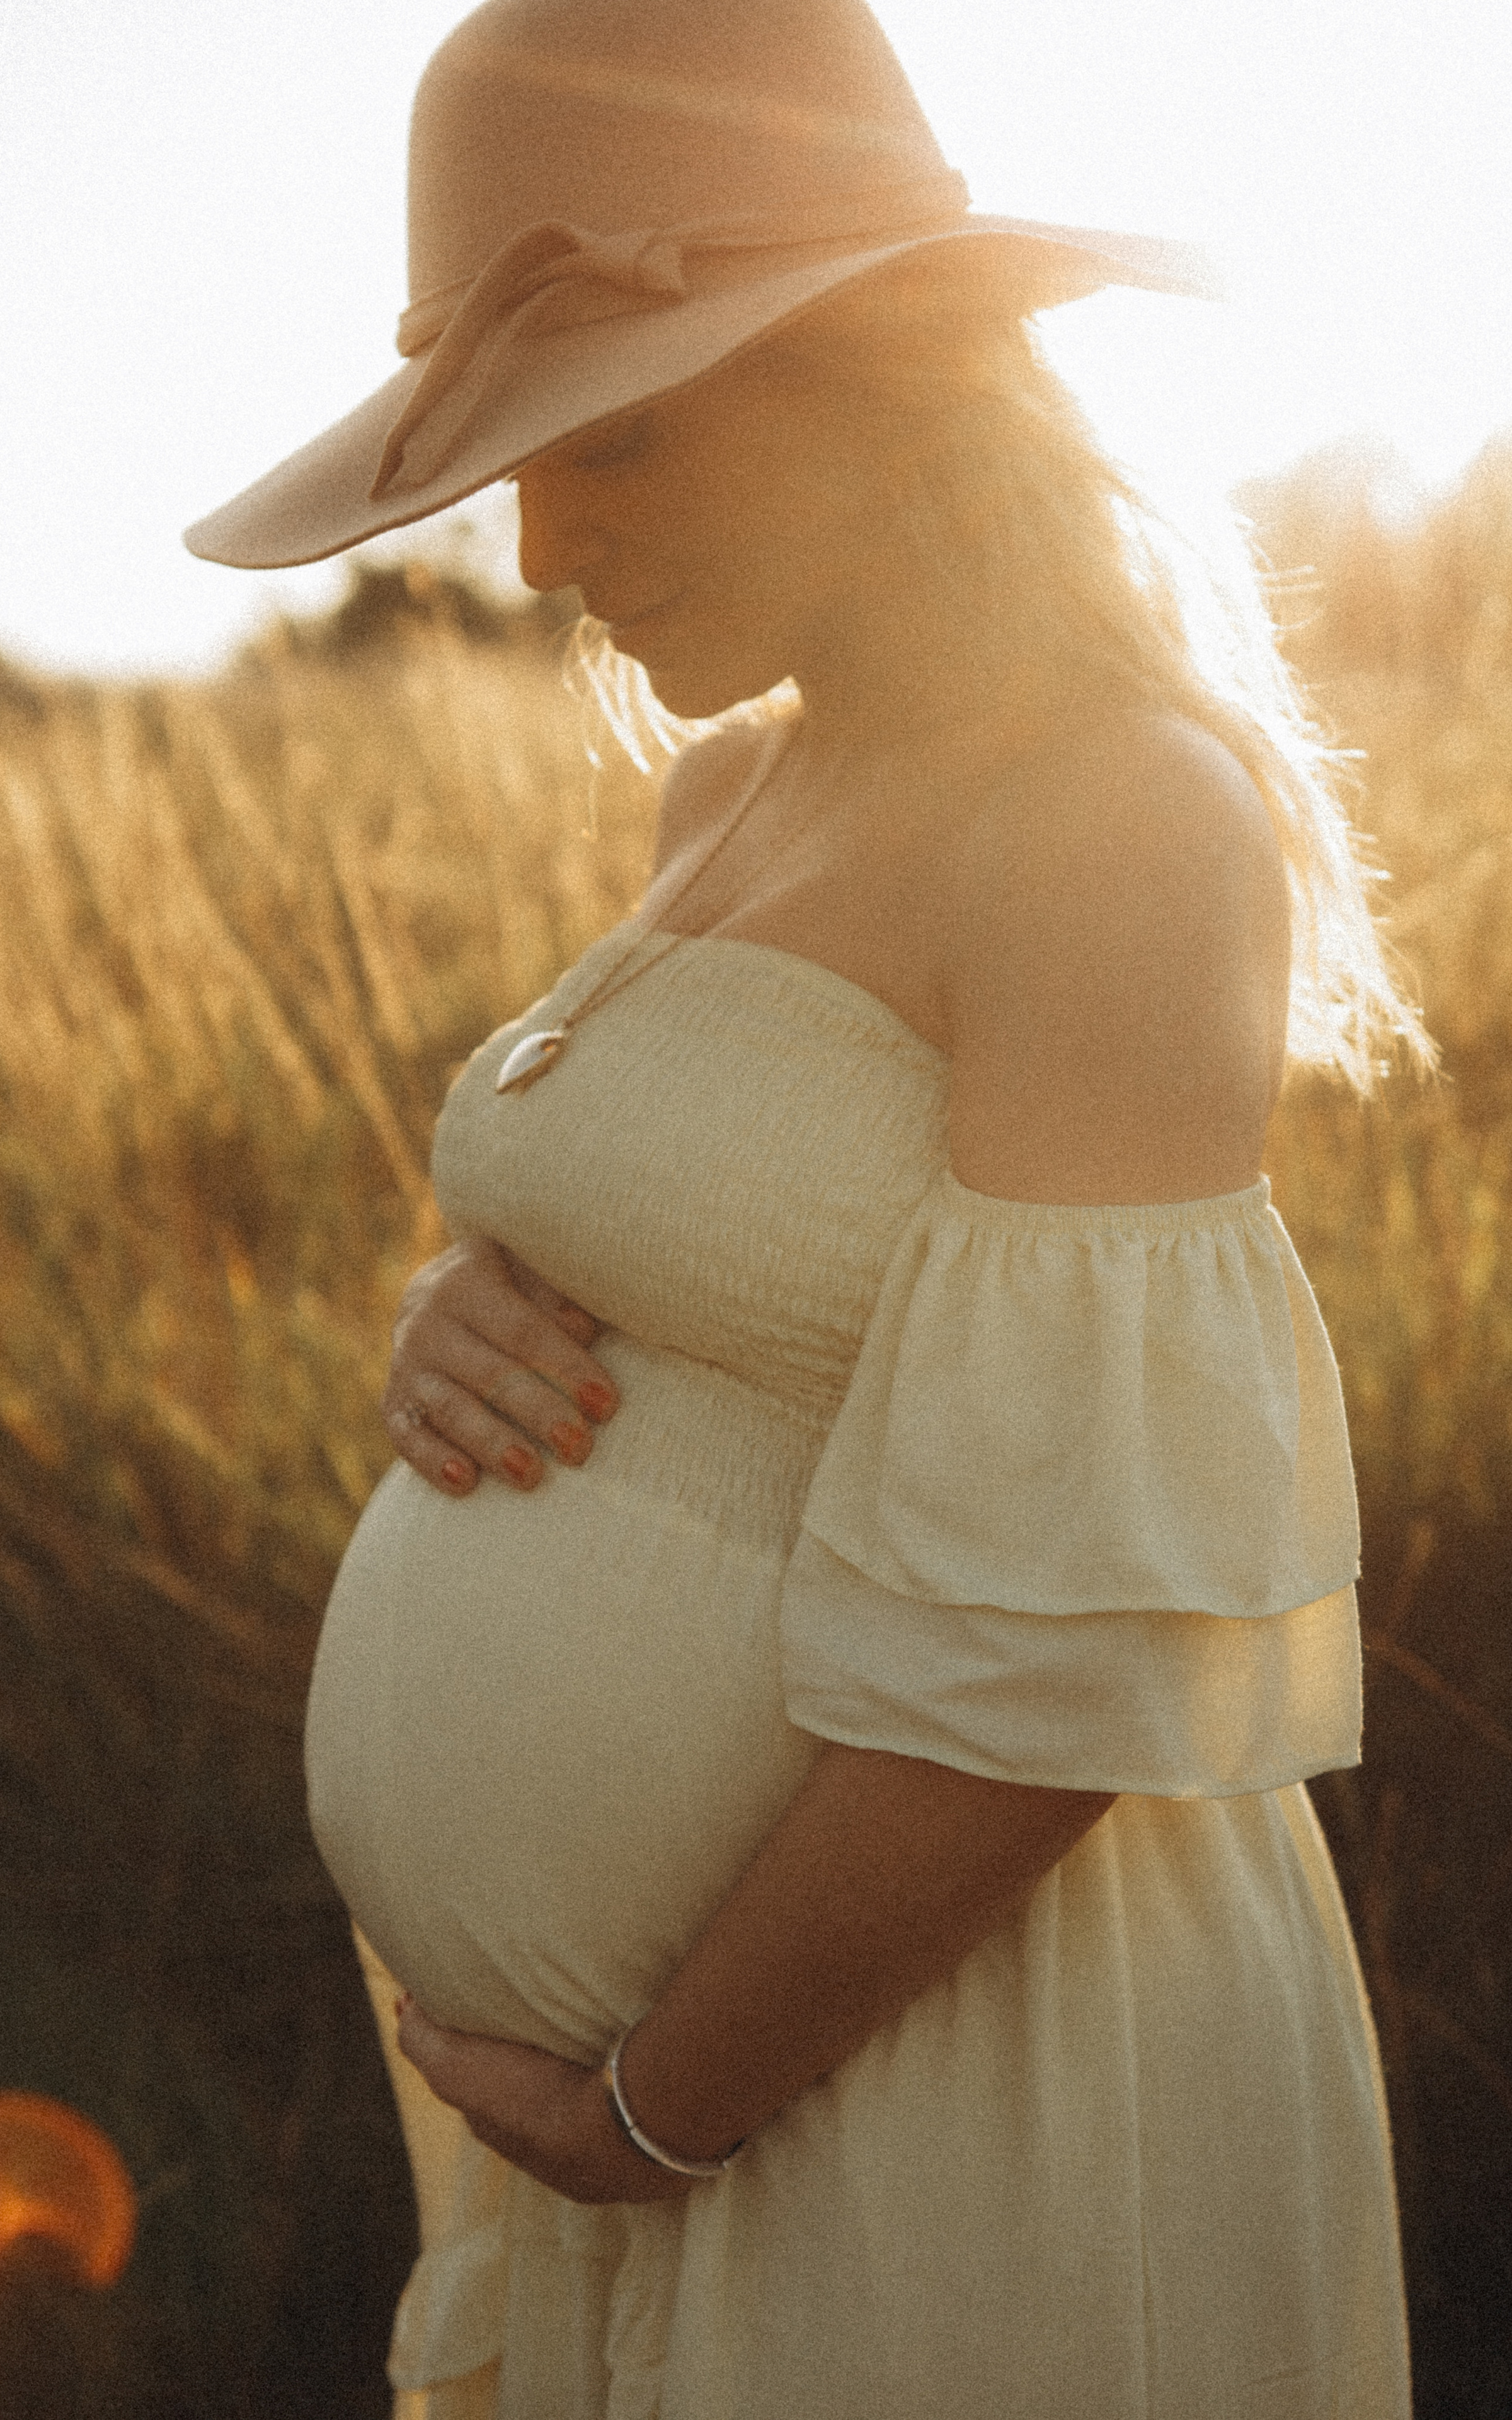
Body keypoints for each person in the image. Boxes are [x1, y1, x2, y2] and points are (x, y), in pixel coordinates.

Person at [187, 3, 1423, 2413]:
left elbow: (1075, 1634)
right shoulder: (725, 794)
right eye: (521, 460)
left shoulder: (1112, 818)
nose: (544, 548)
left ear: (894, 369)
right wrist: (456, 1307)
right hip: (675, 2107)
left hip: (935, 2082)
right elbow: (724, 1254)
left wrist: (665, 2105)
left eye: (619, 435)